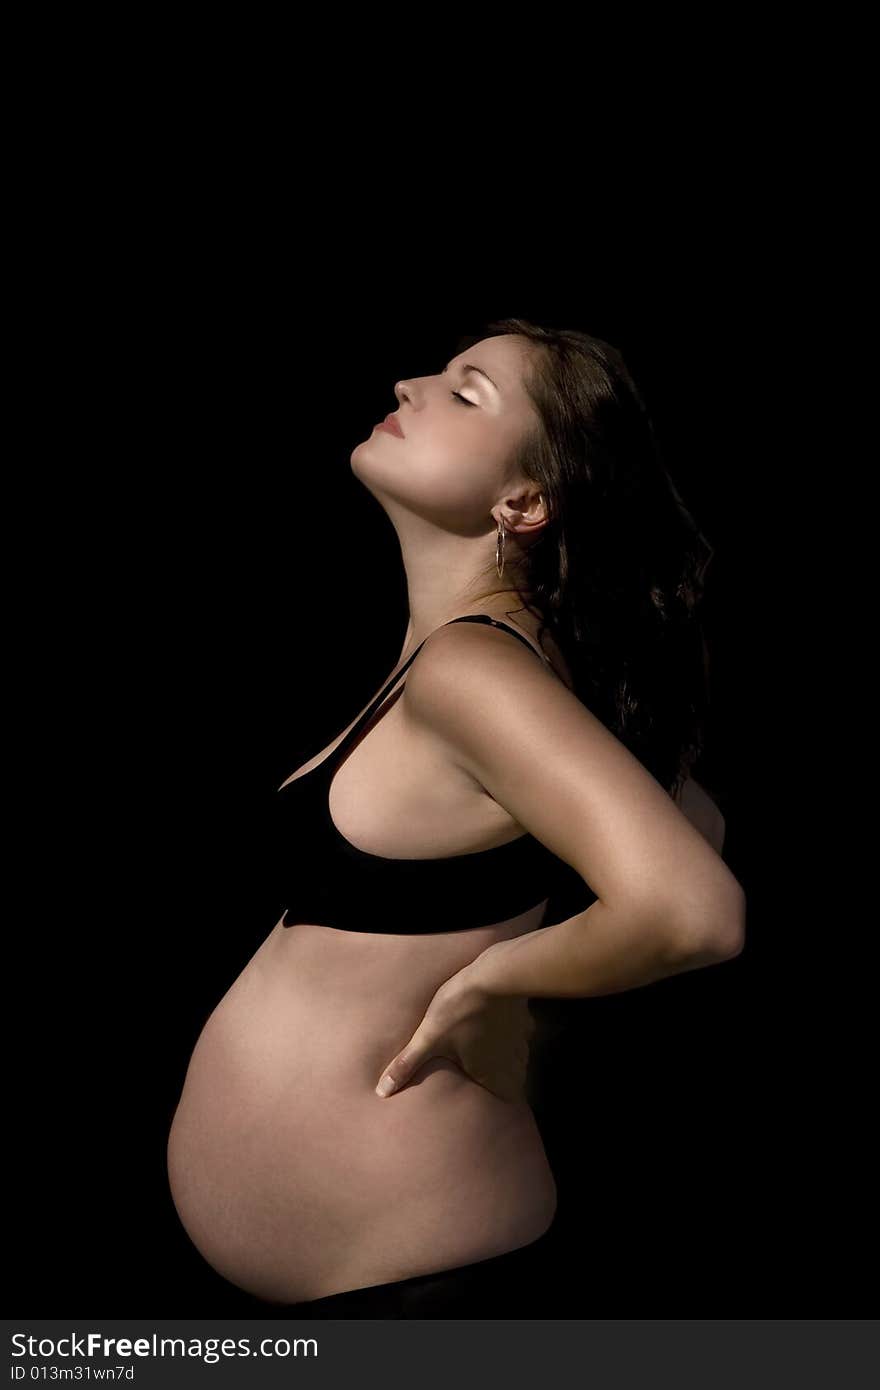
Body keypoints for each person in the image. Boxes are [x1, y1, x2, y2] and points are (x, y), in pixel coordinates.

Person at [166, 317, 745, 1316]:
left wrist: (493, 981)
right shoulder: (497, 664)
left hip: (418, 1282)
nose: (409, 383)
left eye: (465, 391)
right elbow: (692, 821)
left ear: (523, 502)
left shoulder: (473, 670)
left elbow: (695, 906)